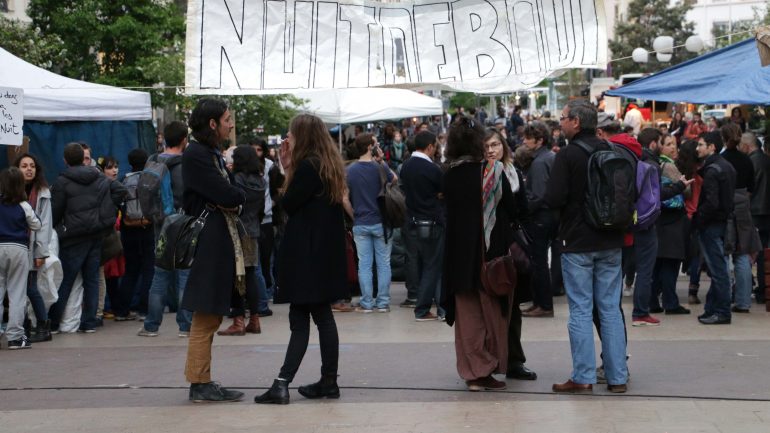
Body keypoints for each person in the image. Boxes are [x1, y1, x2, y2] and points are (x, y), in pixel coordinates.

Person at [254, 114, 347, 405]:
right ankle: (328, 381)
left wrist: (286, 168)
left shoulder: (307, 166)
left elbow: (289, 204)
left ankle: (282, 383)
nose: (287, 140)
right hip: (322, 254)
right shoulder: (328, 165)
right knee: (322, 317)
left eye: (291, 135)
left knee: (300, 319)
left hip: (307, 255)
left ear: (302, 137)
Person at [545, 99, 628, 393]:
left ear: (577, 122)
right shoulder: (611, 150)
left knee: (580, 309)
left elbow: (554, 198)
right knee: (610, 310)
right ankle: (618, 376)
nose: (561, 122)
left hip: (578, 242)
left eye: (564, 117)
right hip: (611, 240)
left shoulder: (568, 156)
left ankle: (583, 376)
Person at [442, 115, 522, 392]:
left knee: (468, 317)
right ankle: (487, 369)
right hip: (491, 254)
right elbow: (513, 209)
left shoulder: (449, 174)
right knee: (493, 314)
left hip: (459, 256)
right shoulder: (493, 171)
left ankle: (473, 371)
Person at [182, 98, 246, 403]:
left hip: (218, 239)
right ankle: (199, 382)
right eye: (227, 119)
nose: (230, 124)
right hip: (210, 241)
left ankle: (201, 380)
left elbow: (232, 194)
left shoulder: (209, 153)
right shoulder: (197, 154)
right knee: (206, 315)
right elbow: (228, 193)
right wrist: (235, 196)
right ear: (212, 123)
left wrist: (234, 196)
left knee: (209, 315)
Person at [49, 143, 126, 334]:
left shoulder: (62, 182)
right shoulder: (99, 177)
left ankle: (54, 322)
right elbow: (121, 191)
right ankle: (90, 321)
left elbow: (55, 211)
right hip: (95, 235)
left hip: (73, 237)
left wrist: (59, 228)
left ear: (65, 160)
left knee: (66, 280)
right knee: (91, 279)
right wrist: (106, 217)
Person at [483, 127, 538, 381]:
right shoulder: (480, 176)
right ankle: (490, 360)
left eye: (495, 144)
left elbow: (524, 212)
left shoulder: (513, 173)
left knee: (513, 307)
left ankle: (515, 360)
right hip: (487, 249)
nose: (492, 150)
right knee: (488, 309)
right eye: (486, 146)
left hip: (512, 249)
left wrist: (527, 242)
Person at [139, 121, 194, 338]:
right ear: (184, 140)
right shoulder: (187, 164)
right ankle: (185, 326)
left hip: (159, 223)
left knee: (160, 276)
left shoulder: (152, 161)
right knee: (184, 275)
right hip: (183, 222)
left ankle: (151, 325)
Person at [217, 145, 266, 336]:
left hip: (235, 230)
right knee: (251, 274)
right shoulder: (261, 181)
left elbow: (229, 201)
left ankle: (238, 320)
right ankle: (254, 319)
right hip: (253, 229)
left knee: (236, 276)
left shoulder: (235, 180)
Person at [345, 133, 395, 313]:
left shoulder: (349, 170)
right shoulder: (379, 168)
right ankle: (382, 302)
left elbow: (344, 198)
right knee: (383, 263)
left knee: (364, 264)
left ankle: (367, 302)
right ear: (369, 147)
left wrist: (354, 215)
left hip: (360, 222)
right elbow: (394, 180)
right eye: (375, 143)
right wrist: (382, 160)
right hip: (381, 221)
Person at [399, 130, 445, 321]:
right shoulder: (432, 169)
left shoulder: (406, 167)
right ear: (430, 147)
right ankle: (428, 308)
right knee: (434, 265)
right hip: (433, 221)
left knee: (423, 263)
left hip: (413, 221)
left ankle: (429, 306)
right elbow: (443, 192)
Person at [694, 131, 736, 325]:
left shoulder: (713, 170)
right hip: (721, 221)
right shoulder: (725, 166)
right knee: (718, 268)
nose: (697, 148)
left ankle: (721, 311)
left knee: (718, 270)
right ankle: (712, 308)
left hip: (712, 224)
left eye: (701, 145)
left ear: (711, 147)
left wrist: (699, 219)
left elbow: (711, 202)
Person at [649, 134, 692, 315]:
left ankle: (652, 301)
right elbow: (687, 190)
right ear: (660, 147)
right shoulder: (669, 166)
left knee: (659, 264)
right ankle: (671, 303)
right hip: (672, 220)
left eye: (674, 144)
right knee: (670, 263)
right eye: (668, 144)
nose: (673, 148)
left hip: (660, 219)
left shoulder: (656, 164)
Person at [0, 167, 42, 349]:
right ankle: (15, 337)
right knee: (17, 293)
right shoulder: (24, 205)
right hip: (18, 248)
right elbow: (37, 224)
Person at [13, 153, 53, 343]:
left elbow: (45, 225)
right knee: (17, 290)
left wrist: (41, 252)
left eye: (32, 166)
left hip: (32, 247)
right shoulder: (10, 191)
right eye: (24, 166)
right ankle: (26, 324)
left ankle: (43, 324)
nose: (29, 169)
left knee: (30, 288)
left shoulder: (43, 193)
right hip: (15, 246)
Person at [720, 124, 759, 313]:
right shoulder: (746, 160)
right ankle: (743, 301)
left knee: (722, 254)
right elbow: (752, 187)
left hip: (725, 206)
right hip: (743, 206)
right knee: (742, 253)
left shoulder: (721, 160)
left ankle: (723, 299)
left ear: (723, 139)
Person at [519, 122, 557, 318]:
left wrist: (524, 209)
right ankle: (540, 303)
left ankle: (543, 304)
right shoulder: (548, 157)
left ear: (539, 140)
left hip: (541, 216)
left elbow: (539, 195)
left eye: (528, 138)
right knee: (539, 261)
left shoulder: (541, 161)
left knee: (539, 262)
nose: (524, 141)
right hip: (548, 215)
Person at [115, 149, 155, 321]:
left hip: (128, 229)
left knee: (130, 270)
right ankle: (144, 310)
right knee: (148, 269)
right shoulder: (151, 179)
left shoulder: (123, 180)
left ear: (130, 163)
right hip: (148, 228)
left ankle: (122, 310)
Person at [740, 132, 770, 303]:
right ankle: (764, 289)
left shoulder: (752, 162)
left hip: (756, 212)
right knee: (764, 251)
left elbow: (749, 189)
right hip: (766, 211)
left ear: (747, 145)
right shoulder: (766, 159)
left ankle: (760, 290)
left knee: (755, 252)